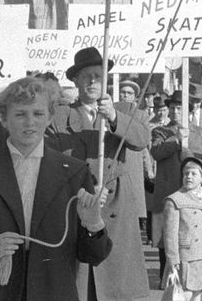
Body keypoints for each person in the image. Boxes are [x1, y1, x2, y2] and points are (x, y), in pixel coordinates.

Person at [0, 75, 111, 300]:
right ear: (3, 119)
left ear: (50, 116)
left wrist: (93, 224)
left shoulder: (74, 172)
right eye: (20, 114)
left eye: (38, 113)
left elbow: (94, 256)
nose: (29, 122)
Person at [48, 46, 151, 301]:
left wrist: (114, 116)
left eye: (98, 75)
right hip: (77, 206)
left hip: (116, 207)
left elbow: (140, 139)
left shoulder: (126, 109)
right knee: (82, 287)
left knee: (115, 289)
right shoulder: (59, 116)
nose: (93, 81)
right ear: (75, 80)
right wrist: (85, 187)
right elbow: (51, 163)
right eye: (86, 76)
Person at [162, 154, 202, 301]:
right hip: (184, 258)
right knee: (183, 294)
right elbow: (170, 234)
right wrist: (173, 261)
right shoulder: (175, 200)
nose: (189, 176)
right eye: (186, 173)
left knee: (197, 293)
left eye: (194, 174)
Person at [150, 89, 190, 281]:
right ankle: (165, 277)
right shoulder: (160, 131)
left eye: (179, 109)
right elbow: (156, 152)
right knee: (165, 237)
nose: (175, 112)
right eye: (172, 108)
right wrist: (176, 140)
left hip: (188, 190)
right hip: (167, 189)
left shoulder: (196, 131)